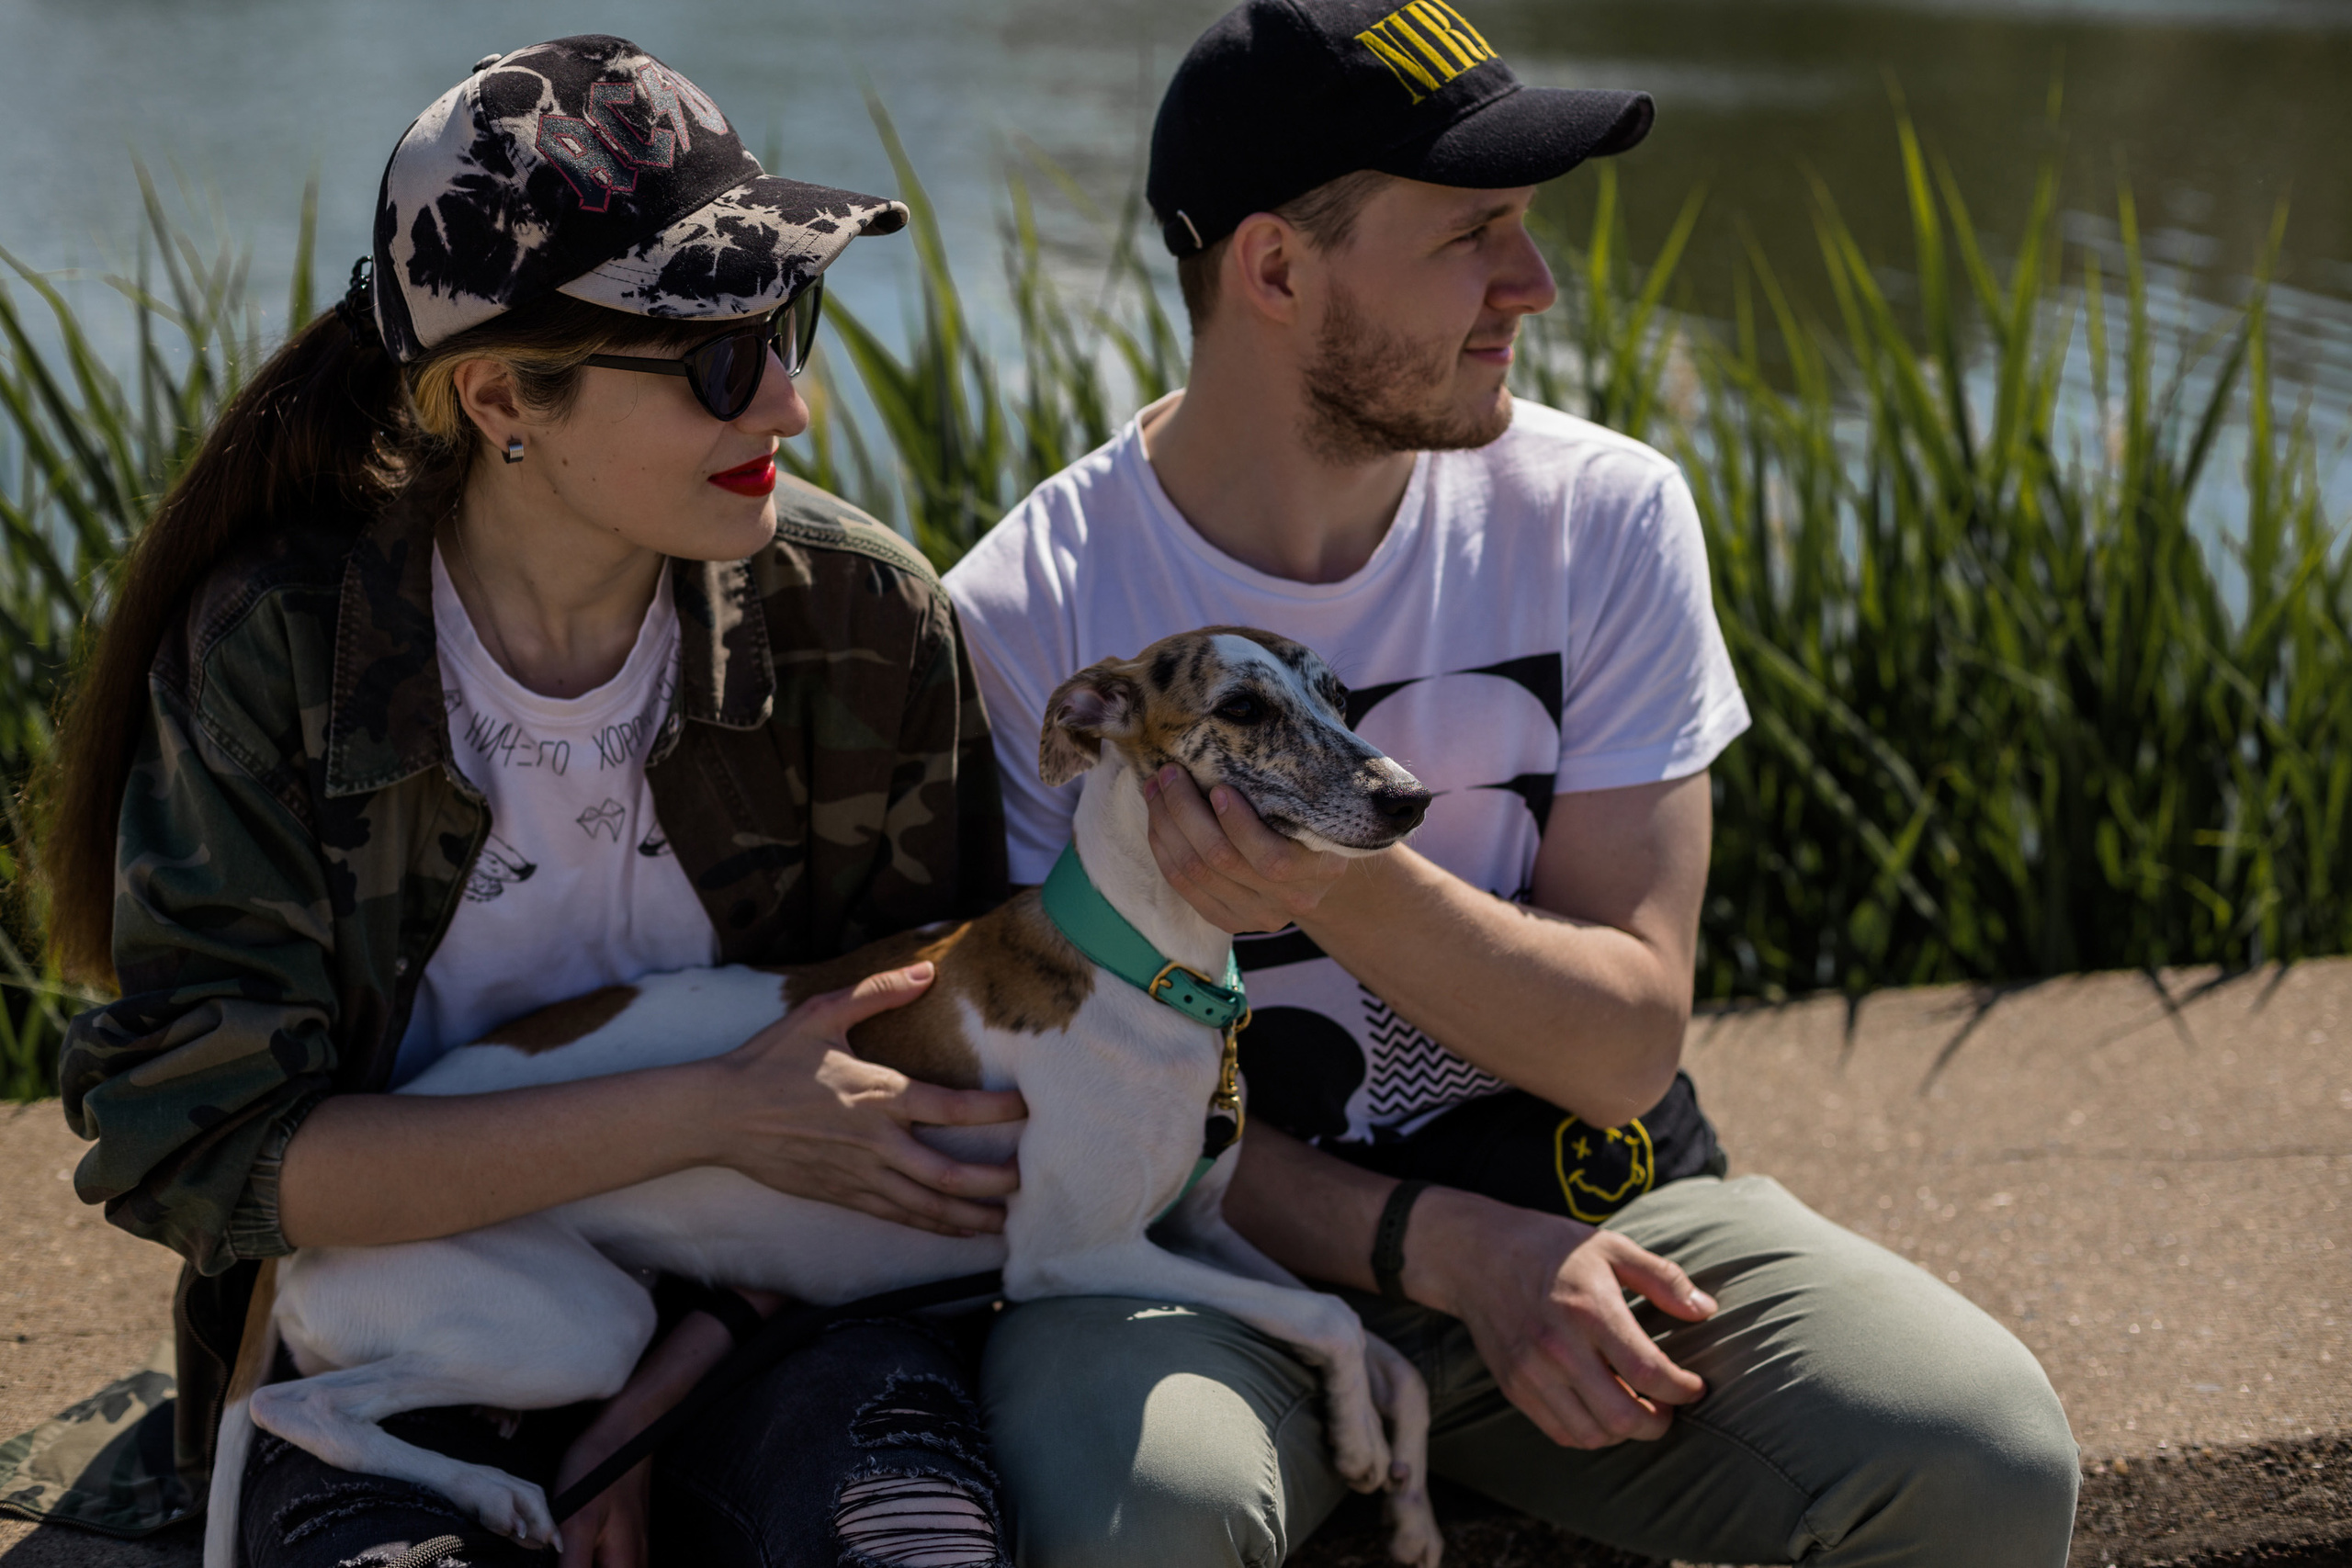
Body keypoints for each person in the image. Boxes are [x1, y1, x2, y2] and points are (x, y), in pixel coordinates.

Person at [944, 2, 2081, 1563]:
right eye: (1475, 236)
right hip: (1191, 1266)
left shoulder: (1604, 517)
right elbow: (1032, 1107)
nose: (1535, 289)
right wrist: (1430, 1246)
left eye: (1528, 232)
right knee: (1149, 1513)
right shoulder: (1026, 617)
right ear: (1275, 271)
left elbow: (1623, 1044)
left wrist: (1329, 870)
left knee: (1980, 1456)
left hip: (1594, 1211)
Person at [41, 38, 1021, 1568]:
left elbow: (932, 1110)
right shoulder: (278, 656)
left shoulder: (868, 623)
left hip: (779, 1337)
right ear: (502, 395)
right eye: (715, 360)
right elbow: (217, 1158)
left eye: (790, 322)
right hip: (401, 1350)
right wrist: (707, 1114)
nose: (791, 406)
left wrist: (637, 1407)